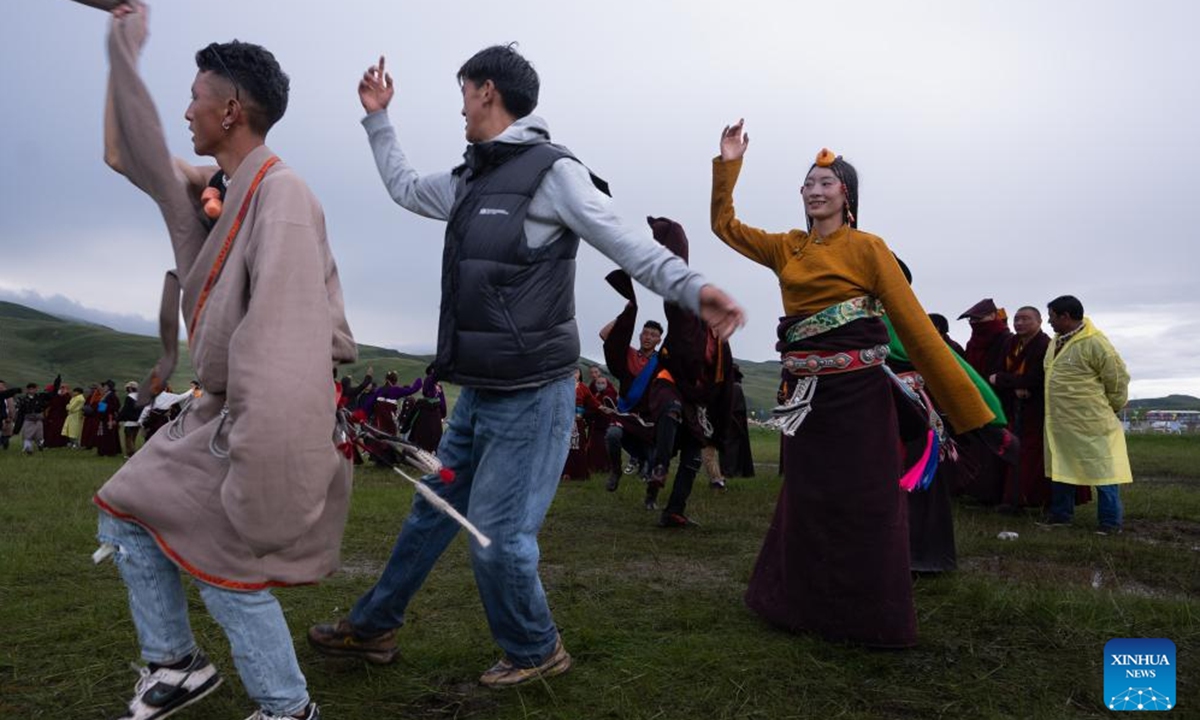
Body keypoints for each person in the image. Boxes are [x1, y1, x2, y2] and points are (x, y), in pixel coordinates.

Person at [308, 46, 743, 687]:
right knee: (431, 510)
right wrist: (379, 120)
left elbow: (623, 238)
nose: (459, 105)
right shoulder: (470, 178)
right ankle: (374, 627)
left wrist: (692, 286)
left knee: (501, 536)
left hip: (534, 394)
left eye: (463, 92)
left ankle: (536, 650)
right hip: (481, 394)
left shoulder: (554, 173)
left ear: (485, 91)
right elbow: (403, 187)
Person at [83, 3, 356, 718]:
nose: (187, 110)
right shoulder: (220, 188)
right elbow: (124, 153)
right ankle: (175, 664)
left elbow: (285, 342)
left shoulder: (284, 195)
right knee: (128, 514)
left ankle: (285, 705)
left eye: (197, 98)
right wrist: (122, 49)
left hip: (257, 420)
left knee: (228, 567)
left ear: (231, 109)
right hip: (214, 412)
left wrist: (257, 451)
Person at [711, 120, 994, 647]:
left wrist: (974, 415)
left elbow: (914, 328)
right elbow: (724, 225)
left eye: (827, 183)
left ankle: (869, 616)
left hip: (860, 397)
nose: (815, 191)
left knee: (867, 502)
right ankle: (800, 606)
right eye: (808, 184)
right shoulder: (786, 248)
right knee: (808, 500)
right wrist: (729, 164)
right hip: (804, 399)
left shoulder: (868, 247)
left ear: (846, 194)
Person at [1041, 295, 1131, 534]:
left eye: (1051, 317)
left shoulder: (1095, 342)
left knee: (1103, 472)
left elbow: (1117, 377)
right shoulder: (1056, 341)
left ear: (1065, 317)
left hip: (1092, 422)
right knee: (1062, 467)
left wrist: (1114, 405)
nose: (1049, 322)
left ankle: (1110, 522)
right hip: (1060, 423)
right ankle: (1061, 516)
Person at [719, 363, 755, 479]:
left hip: (728, 423)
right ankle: (730, 471)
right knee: (731, 449)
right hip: (733, 424)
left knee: (729, 449)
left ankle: (729, 471)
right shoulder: (735, 387)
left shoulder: (728, 387)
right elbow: (737, 409)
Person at [13, 377, 62, 455]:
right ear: (27, 390)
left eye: (33, 388)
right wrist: (16, 428)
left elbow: (53, 394)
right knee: (27, 435)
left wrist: (56, 384)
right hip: (28, 420)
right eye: (30, 389)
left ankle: (40, 445)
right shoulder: (23, 400)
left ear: (36, 389)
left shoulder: (41, 396)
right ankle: (28, 448)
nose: (31, 390)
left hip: (38, 420)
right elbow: (20, 414)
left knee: (39, 437)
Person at [95, 380, 124, 457]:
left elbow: (115, 406)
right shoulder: (107, 395)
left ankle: (109, 451)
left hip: (109, 417)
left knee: (109, 435)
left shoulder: (111, 396)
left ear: (108, 387)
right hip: (104, 417)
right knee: (104, 434)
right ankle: (103, 450)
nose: (103, 387)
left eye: (104, 386)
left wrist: (103, 408)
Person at [117, 381, 142, 458]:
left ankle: (131, 454)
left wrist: (118, 418)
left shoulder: (129, 398)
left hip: (129, 422)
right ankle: (132, 453)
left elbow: (125, 410)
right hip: (138, 421)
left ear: (130, 389)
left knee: (128, 439)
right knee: (133, 438)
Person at [0, 381, 17, 450]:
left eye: (1, 386)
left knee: (6, 434)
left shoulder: (8, 397)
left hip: (6, 418)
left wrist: (11, 417)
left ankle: (5, 446)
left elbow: (11, 408)